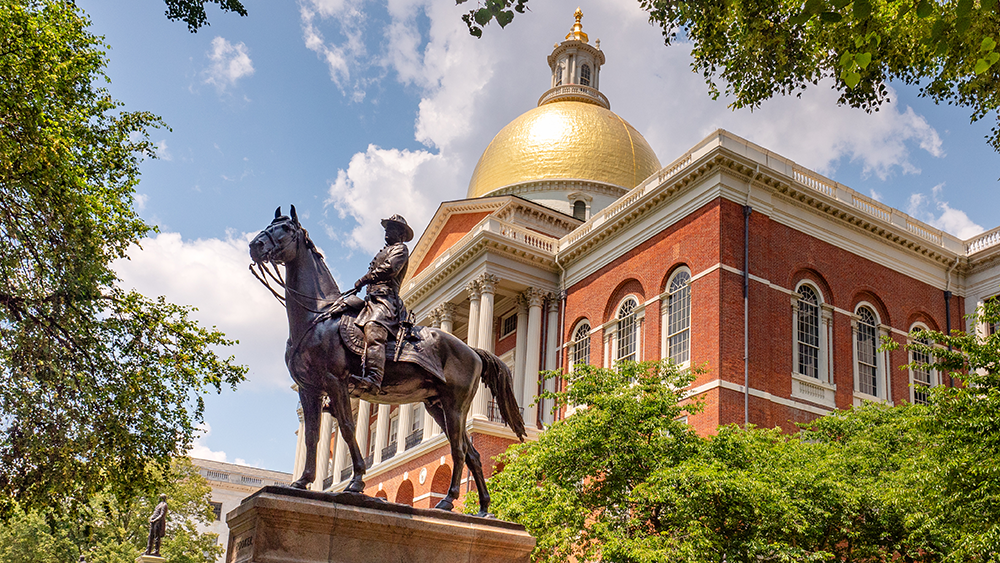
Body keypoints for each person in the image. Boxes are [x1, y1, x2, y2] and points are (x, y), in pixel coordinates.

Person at [354, 215, 413, 393]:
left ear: (401, 234)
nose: (388, 231)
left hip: (386, 299)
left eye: (393, 228)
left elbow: (389, 269)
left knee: (374, 329)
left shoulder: (401, 249)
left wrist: (364, 278)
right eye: (387, 228)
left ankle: (374, 378)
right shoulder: (383, 250)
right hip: (371, 299)